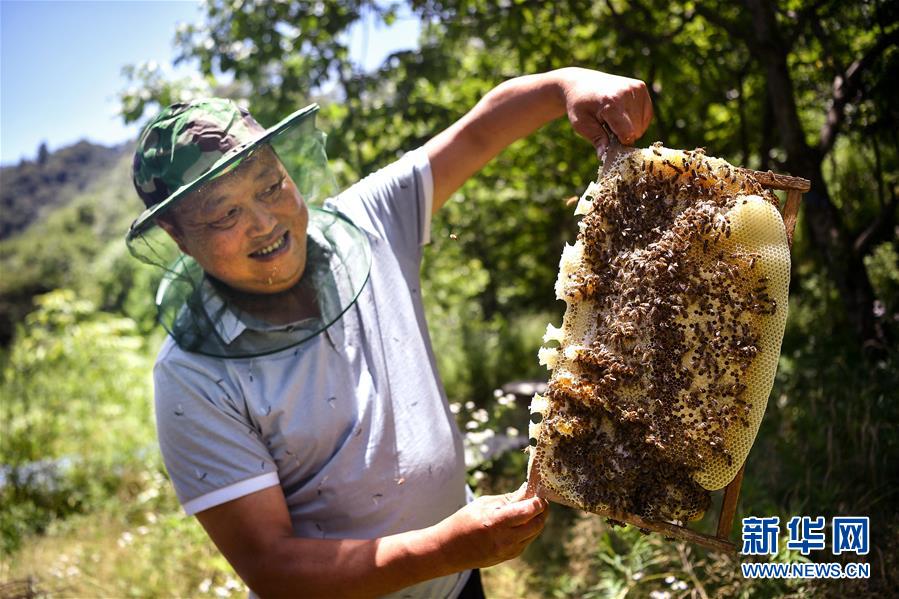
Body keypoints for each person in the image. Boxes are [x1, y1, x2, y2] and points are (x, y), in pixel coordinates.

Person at [128, 67, 652, 598]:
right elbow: (273, 567)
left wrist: (567, 84)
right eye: (225, 214)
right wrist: (444, 549)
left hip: (458, 585)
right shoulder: (191, 378)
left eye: (270, 185)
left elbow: (479, 133)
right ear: (177, 234)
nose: (264, 222)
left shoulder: (368, 221)